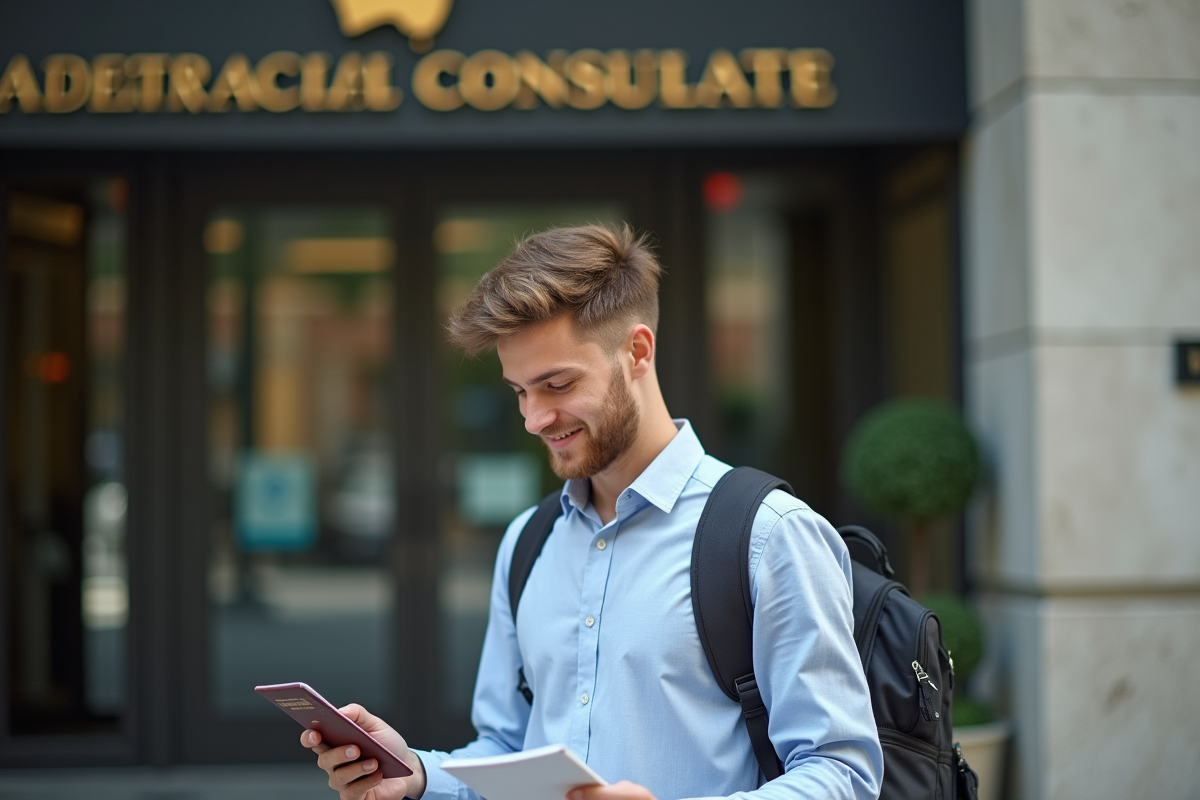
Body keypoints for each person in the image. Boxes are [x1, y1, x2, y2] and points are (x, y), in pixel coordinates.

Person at [303, 224, 883, 800]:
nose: (534, 418)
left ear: (637, 351)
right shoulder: (527, 542)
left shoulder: (768, 535)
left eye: (556, 384)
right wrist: (420, 774)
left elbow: (843, 772)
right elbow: (508, 751)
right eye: (520, 391)